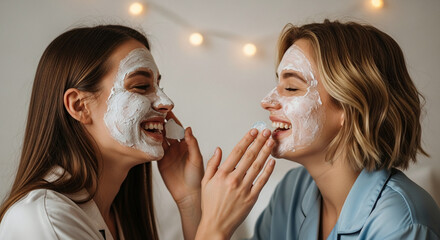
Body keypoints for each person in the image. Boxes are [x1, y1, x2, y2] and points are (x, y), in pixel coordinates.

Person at [0, 25, 276, 240]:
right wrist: (214, 227)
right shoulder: (41, 219)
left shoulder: (118, 215)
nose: (166, 102)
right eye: (142, 86)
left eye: (158, 85)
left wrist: (190, 200)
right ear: (79, 106)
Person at [251, 19, 440, 239]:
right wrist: (200, 201)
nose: (266, 101)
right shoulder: (292, 190)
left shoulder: (401, 224)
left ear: (350, 108)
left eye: (291, 87)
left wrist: (215, 230)